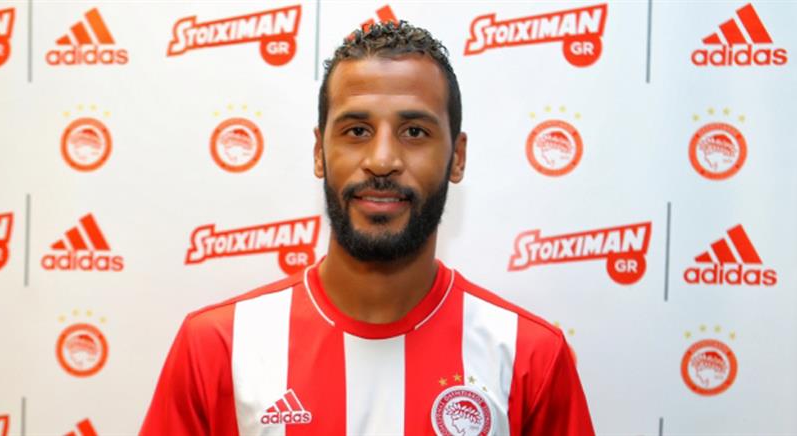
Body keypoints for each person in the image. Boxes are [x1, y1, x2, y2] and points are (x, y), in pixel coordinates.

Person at [141, 21, 595, 435]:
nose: (382, 160)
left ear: (457, 157)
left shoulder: (528, 356)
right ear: (319, 152)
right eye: (357, 131)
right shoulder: (219, 348)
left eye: (414, 132)